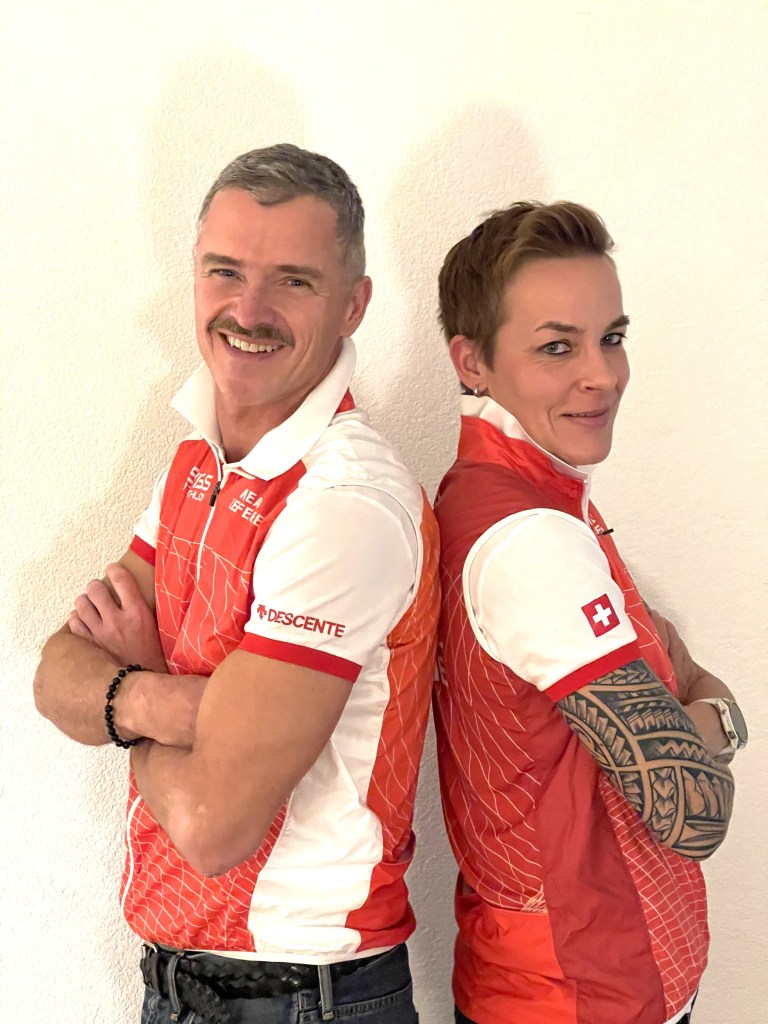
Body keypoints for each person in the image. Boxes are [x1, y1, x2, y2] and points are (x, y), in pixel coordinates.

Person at [33, 143, 439, 1024]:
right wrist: (174, 704)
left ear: (353, 304)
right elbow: (55, 677)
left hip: (304, 996)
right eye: (225, 270)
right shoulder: (197, 460)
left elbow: (212, 826)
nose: (247, 310)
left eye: (293, 280)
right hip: (183, 985)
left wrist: (127, 691)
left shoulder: (344, 503)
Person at [433, 201, 746, 1024]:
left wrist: (680, 712)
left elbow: (672, 662)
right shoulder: (530, 540)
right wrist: (715, 719)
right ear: (472, 361)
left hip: (584, 977)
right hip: (574, 993)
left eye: (612, 337)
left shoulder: (533, 496)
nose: (602, 375)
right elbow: (692, 810)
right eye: (557, 346)